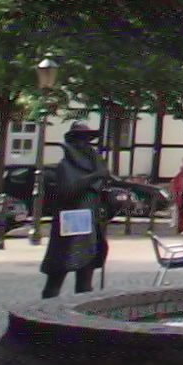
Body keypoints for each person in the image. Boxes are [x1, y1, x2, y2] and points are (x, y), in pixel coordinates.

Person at [40, 123, 114, 298]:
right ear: (72, 142)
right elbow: (68, 192)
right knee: (57, 273)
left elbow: (97, 194)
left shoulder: (93, 165)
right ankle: (45, 310)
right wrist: (95, 176)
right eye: (81, 139)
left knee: (85, 276)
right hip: (69, 228)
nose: (85, 144)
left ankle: (81, 310)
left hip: (89, 227)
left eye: (88, 140)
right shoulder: (65, 166)